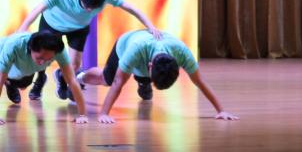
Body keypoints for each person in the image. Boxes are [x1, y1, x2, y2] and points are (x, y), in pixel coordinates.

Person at [16, 0, 161, 101]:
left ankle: (61, 76)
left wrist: (150, 26)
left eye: (94, 8)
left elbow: (130, 7)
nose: (90, 10)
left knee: (75, 64)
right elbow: (38, 9)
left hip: (79, 28)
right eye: (87, 7)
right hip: (53, 23)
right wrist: (22, 29)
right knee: (43, 58)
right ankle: (40, 80)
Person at [78, 29, 239, 123]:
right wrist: (104, 113)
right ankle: (79, 77)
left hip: (147, 63)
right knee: (105, 79)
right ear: (150, 67)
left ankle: (143, 83)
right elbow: (117, 83)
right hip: (125, 45)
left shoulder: (182, 52)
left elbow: (200, 81)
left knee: (145, 94)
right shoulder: (134, 50)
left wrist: (221, 110)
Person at [0, 31, 88, 125]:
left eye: (49, 59)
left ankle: (9, 83)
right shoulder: (14, 45)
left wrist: (82, 114)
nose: (43, 62)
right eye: (40, 58)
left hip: (23, 68)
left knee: (23, 84)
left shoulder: (58, 50)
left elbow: (72, 80)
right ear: (31, 48)